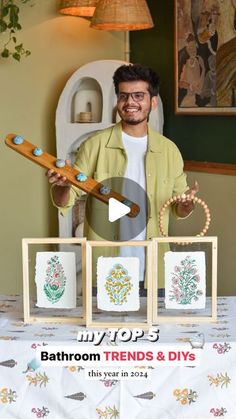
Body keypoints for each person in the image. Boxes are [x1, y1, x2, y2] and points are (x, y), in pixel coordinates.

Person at [47, 63, 199, 290]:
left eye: (139, 95)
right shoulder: (94, 145)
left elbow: (178, 208)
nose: (130, 103)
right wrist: (62, 185)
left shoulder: (169, 151)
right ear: (117, 101)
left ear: (153, 102)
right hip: (105, 268)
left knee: (154, 327)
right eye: (124, 96)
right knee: (101, 326)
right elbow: (66, 201)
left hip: (153, 271)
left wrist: (187, 205)